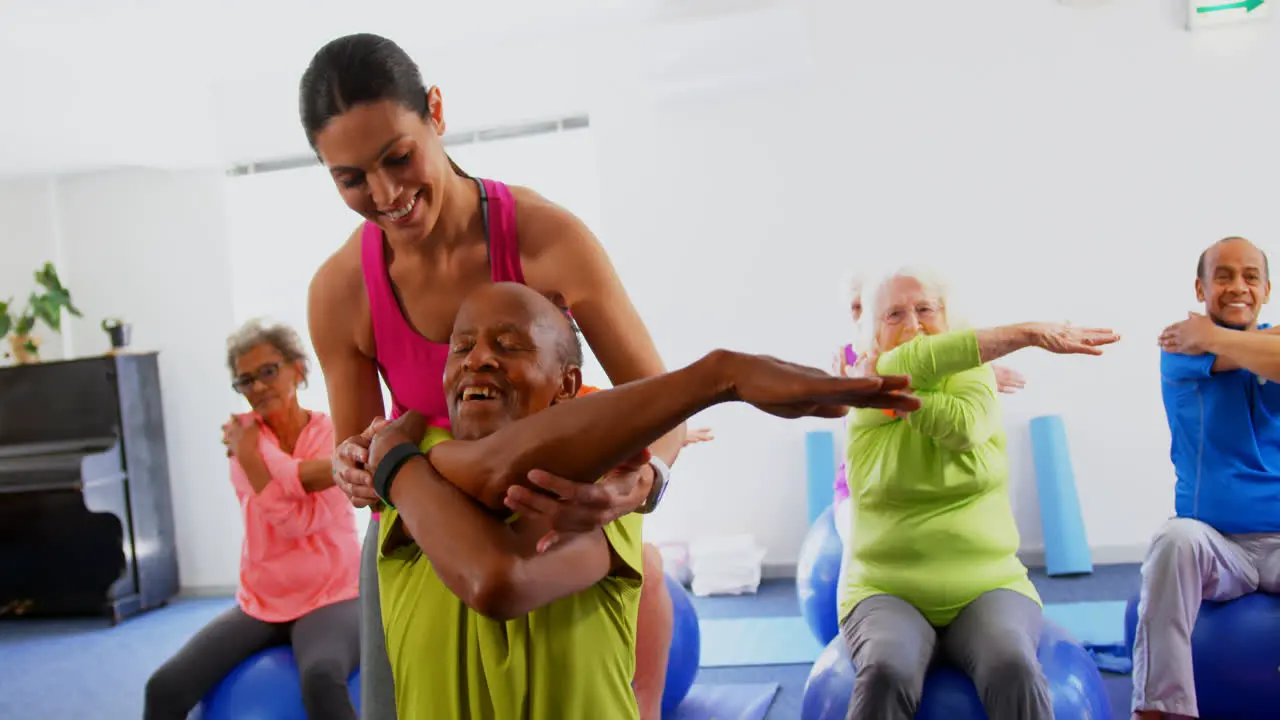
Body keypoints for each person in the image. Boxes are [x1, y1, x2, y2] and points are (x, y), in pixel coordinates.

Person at [299, 33, 686, 720]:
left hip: (547, 516)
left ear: (436, 113)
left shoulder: (546, 240)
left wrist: (638, 486)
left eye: (398, 157)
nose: (386, 194)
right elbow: (368, 454)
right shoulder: (339, 291)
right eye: (352, 178)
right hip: (429, 538)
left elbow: (663, 410)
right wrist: (356, 465)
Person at [361, 281, 920, 719]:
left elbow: (499, 580)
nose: (478, 358)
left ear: (567, 384)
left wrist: (394, 464)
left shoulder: (603, 489)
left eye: (509, 345)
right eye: (462, 346)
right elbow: (480, 475)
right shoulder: (418, 460)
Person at [839, 266, 1120, 720]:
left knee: (1013, 665)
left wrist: (904, 403)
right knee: (886, 670)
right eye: (894, 315)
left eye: (926, 309)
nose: (913, 325)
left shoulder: (974, 376)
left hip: (987, 583)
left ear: (949, 319)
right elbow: (917, 365)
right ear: (871, 336)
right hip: (886, 588)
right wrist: (1029, 333)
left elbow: (964, 428)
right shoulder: (866, 385)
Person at [143, 321, 360, 720]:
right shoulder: (244, 437)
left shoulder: (331, 437)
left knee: (321, 678)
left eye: (268, 371)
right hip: (263, 600)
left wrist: (253, 456)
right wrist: (256, 457)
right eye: (245, 380)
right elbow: (286, 511)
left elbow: (300, 524)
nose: (258, 387)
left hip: (333, 594)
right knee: (164, 687)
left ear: (297, 369)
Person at [1134, 235, 1280, 720]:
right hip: (1218, 547)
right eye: (1223, 276)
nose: (1237, 287)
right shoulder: (1178, 347)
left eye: (1250, 277)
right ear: (1200, 289)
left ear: (1267, 289)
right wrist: (1214, 341)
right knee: (1173, 540)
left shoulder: (1206, 338)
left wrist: (1212, 335)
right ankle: (1161, 709)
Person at [829, 272, 1027, 550]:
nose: (862, 314)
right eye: (855, 307)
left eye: (867, 305)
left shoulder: (931, 348)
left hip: (936, 481)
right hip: (869, 487)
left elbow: (929, 367)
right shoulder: (851, 357)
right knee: (862, 543)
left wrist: (978, 369)